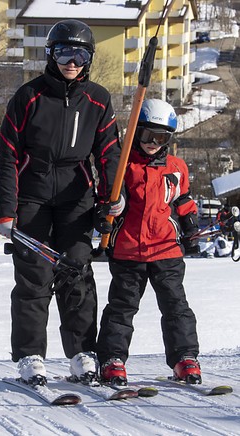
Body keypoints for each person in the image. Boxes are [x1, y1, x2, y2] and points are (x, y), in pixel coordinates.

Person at [0, 19, 121, 386]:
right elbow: (7, 156)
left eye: (80, 54)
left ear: (89, 58)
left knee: (77, 273)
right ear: (51, 54)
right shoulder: (28, 96)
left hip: (75, 198)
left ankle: (82, 351)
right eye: (64, 52)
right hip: (32, 196)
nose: (72, 61)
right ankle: (30, 355)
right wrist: (6, 209)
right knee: (33, 276)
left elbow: (109, 153)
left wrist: (113, 197)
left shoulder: (98, 99)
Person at [97, 99, 202, 386]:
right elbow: (107, 197)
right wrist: (105, 212)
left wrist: (190, 225)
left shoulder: (176, 166)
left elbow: (182, 199)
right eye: (146, 136)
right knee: (122, 307)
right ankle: (112, 359)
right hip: (128, 250)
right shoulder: (123, 166)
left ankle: (185, 358)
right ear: (135, 133)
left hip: (166, 249)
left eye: (161, 138)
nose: (153, 143)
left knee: (175, 304)